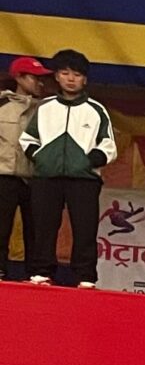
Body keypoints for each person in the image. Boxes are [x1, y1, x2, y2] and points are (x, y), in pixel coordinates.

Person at [21, 47, 115, 289]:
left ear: (85, 79)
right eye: (65, 73)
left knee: (85, 229)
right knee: (43, 226)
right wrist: (41, 158)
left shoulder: (96, 109)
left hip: (84, 180)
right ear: (56, 76)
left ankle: (85, 276)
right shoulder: (45, 107)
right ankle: (41, 272)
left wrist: (87, 161)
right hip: (47, 177)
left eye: (77, 74)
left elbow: (108, 146)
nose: (71, 79)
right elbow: (28, 139)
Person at [0, 55, 46, 280]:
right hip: (4, 174)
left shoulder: (47, 109)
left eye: (41, 78)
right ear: (18, 77)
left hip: (34, 177)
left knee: (36, 230)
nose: (40, 83)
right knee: (1, 227)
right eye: (34, 77)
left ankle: (35, 275)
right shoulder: (2, 105)